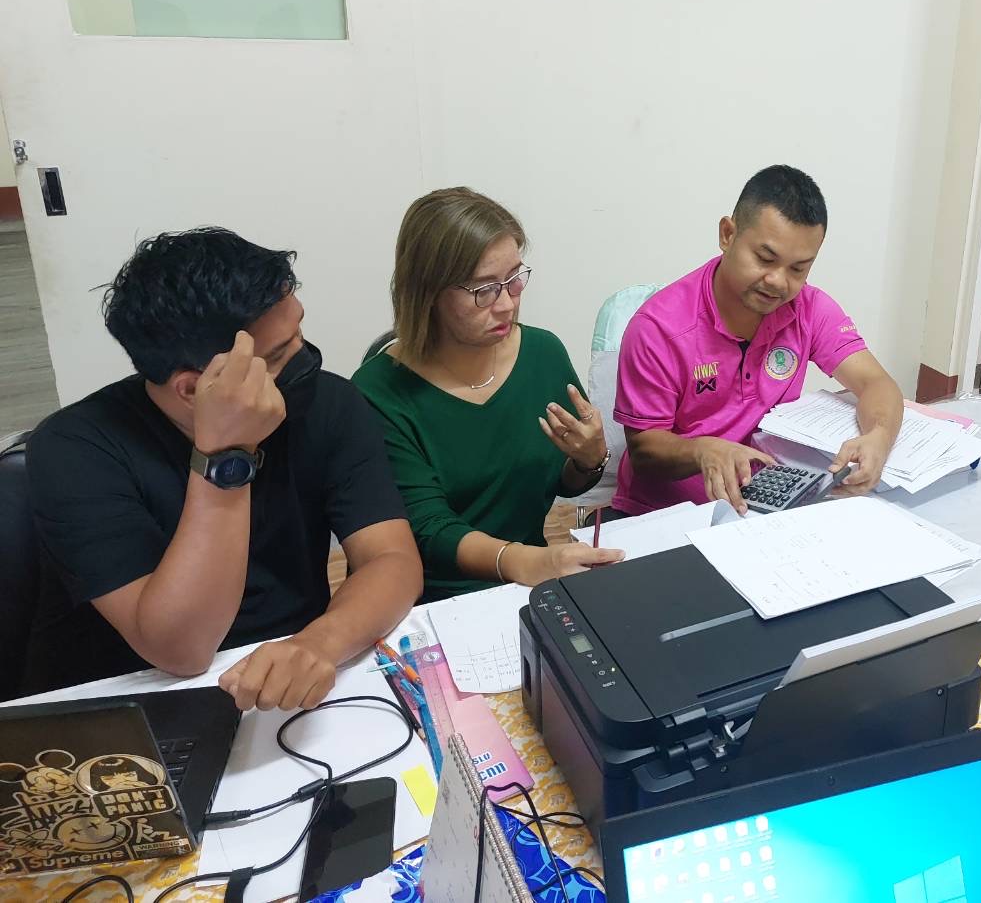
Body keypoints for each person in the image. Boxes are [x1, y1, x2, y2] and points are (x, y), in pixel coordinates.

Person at [22, 229, 423, 708]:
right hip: (134, 697)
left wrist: (318, 644)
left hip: (287, 674)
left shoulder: (330, 404)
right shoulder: (75, 449)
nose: (304, 359)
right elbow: (182, 650)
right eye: (278, 356)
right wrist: (227, 454)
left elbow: (392, 560)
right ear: (193, 390)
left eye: (298, 332)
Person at [353, 188, 622, 602]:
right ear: (428, 292)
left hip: (528, 580)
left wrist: (589, 459)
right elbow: (429, 529)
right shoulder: (379, 393)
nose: (507, 305)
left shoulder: (542, 353)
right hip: (431, 598)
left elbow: (560, 482)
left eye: (514, 279)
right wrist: (528, 561)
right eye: (485, 290)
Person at [614, 165, 903, 516]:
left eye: (798, 268)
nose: (778, 281)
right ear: (727, 234)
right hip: (668, 514)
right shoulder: (659, 328)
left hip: (768, 504)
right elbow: (644, 449)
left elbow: (875, 382)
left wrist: (879, 437)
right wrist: (701, 451)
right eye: (765, 259)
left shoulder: (809, 309)